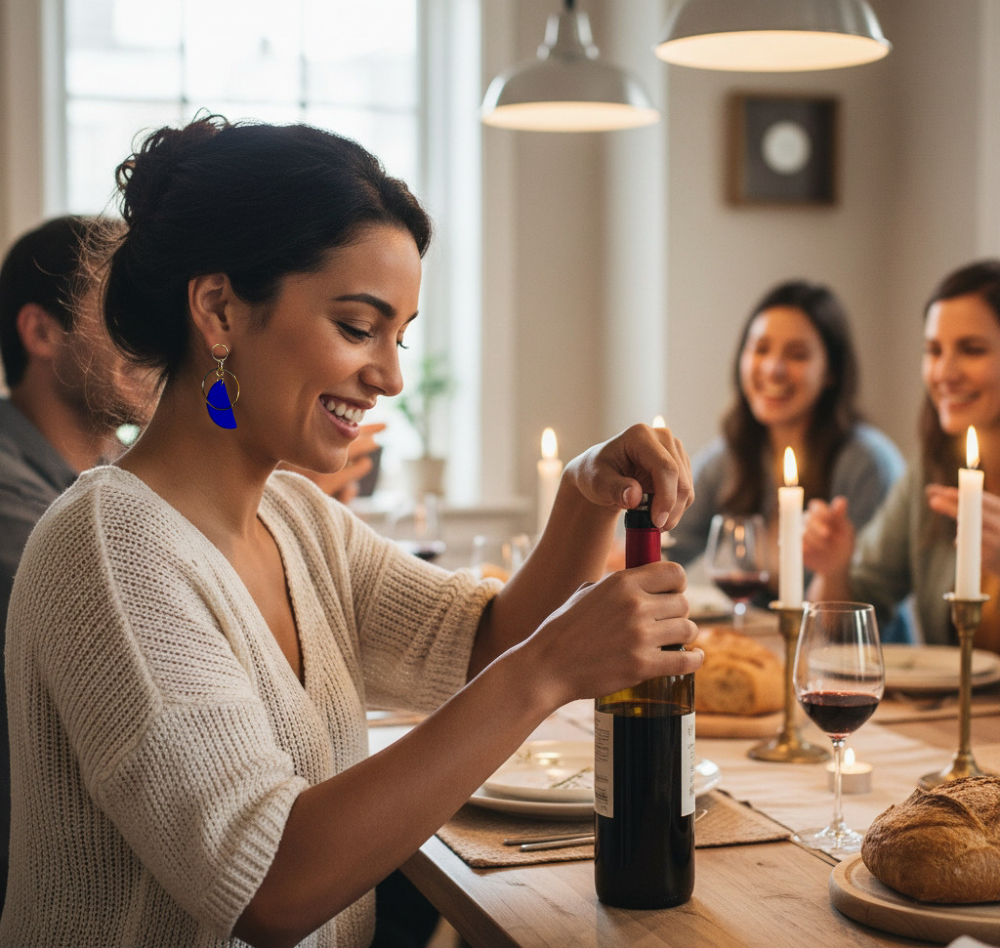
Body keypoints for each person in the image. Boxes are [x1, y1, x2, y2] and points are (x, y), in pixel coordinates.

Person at [0, 114, 702, 948]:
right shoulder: (108, 548)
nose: (392, 376)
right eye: (357, 326)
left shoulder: (294, 519)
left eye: (399, 337)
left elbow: (478, 647)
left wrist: (586, 497)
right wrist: (547, 671)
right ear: (220, 310)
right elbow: (270, 887)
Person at [0, 215, 157, 907]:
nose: (150, 336)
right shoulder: (12, 491)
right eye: (120, 308)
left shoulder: (125, 473)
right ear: (40, 333)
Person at [804, 260, 1000, 655]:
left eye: (972, 350)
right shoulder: (933, 469)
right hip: (950, 716)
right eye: (933, 351)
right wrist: (835, 568)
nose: (945, 372)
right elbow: (842, 626)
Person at [667, 280, 904, 601]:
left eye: (797, 354)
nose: (773, 369)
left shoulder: (868, 465)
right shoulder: (728, 457)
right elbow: (665, 546)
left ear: (831, 372)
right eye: (761, 349)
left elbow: (867, 605)